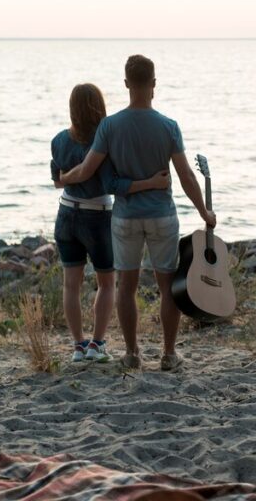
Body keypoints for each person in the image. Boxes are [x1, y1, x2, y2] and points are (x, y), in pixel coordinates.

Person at [61, 55, 216, 371]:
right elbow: (186, 175)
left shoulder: (109, 126)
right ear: (154, 84)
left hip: (125, 219)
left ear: (127, 84)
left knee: (126, 288)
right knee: (167, 287)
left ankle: (132, 354)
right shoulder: (168, 126)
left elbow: (88, 168)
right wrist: (204, 211)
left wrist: (64, 178)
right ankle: (169, 354)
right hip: (162, 216)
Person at [51, 83, 170, 363]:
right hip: (97, 216)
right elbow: (113, 184)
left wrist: (69, 178)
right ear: (98, 107)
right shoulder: (103, 141)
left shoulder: (58, 139)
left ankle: (78, 347)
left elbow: (58, 181)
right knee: (106, 284)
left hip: (66, 213)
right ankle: (97, 344)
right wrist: (151, 182)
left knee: (71, 285)